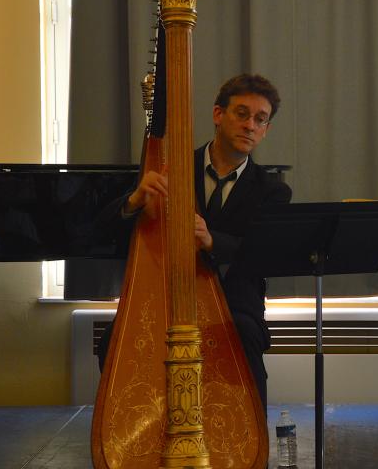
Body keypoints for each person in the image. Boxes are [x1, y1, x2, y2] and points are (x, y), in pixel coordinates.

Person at [107, 73, 291, 413]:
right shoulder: (167, 166)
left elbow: (262, 256)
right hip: (166, 292)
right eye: (241, 113)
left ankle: (250, 447)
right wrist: (134, 200)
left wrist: (211, 241)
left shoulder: (272, 191)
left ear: (265, 130)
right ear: (218, 115)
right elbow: (108, 233)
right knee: (113, 340)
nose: (250, 125)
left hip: (234, 302)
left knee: (244, 333)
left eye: (260, 120)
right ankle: (135, 431)